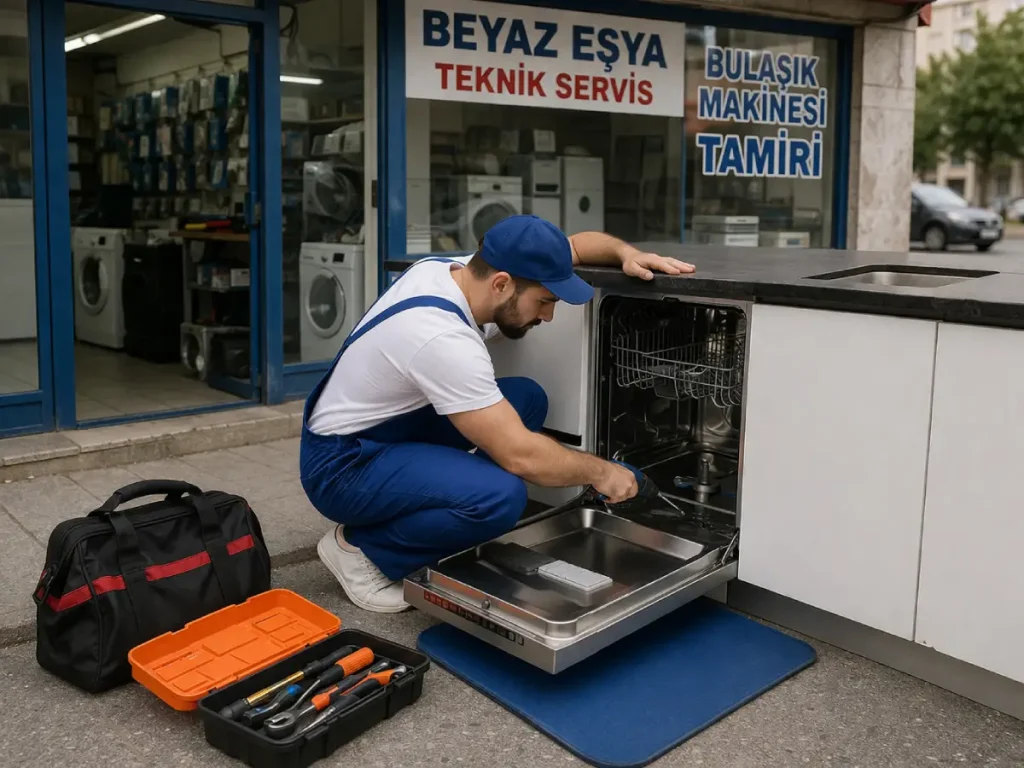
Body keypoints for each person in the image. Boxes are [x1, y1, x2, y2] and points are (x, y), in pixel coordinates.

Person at [299, 215, 695, 613]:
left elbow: (574, 247)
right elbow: (521, 456)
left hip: (383, 428)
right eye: (545, 301)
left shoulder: (455, 270)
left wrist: (628, 253)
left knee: (525, 399)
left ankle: (448, 516)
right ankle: (363, 552)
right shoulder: (441, 337)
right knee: (501, 498)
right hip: (342, 466)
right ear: (502, 283)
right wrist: (604, 472)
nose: (548, 316)